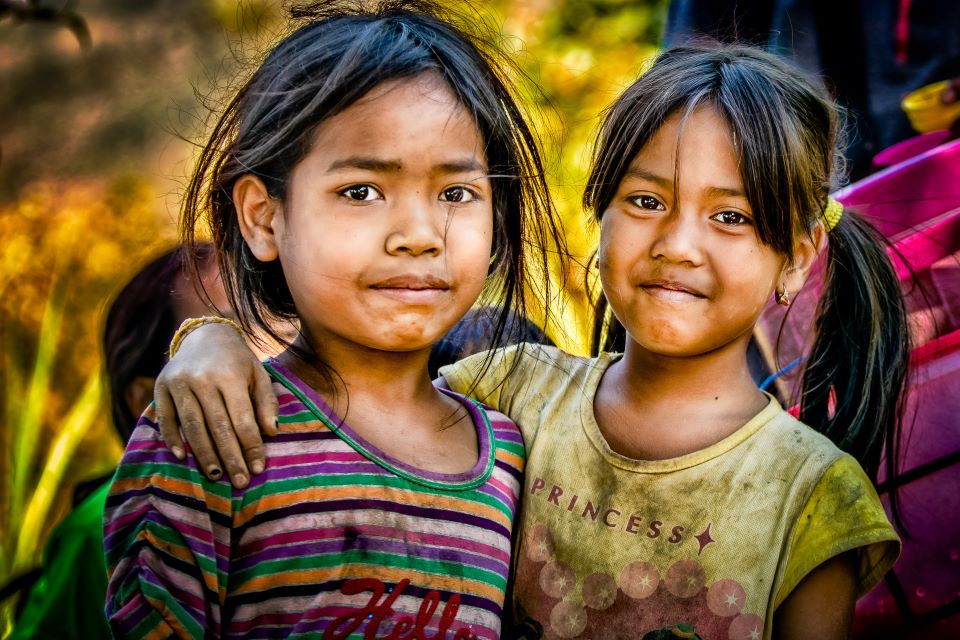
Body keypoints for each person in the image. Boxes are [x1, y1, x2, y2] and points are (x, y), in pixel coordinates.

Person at [157, 44, 911, 639]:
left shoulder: (814, 496)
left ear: (798, 257)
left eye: (732, 218)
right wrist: (212, 339)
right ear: (599, 214)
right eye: (646, 201)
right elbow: (358, 405)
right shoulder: (508, 390)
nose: (678, 244)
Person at [102, 2, 564, 638]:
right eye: (361, 191)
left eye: (456, 194)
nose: (419, 235)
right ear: (265, 217)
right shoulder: (218, 429)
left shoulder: (511, 457)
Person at [8, 244, 225, 640]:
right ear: (149, 402)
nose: (272, 361)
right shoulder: (112, 526)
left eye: (283, 327)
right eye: (221, 338)